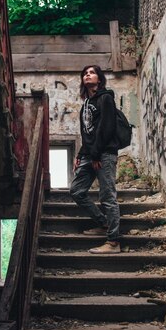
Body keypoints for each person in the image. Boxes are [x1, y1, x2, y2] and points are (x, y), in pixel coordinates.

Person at [70, 64, 121, 253]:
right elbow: (87, 133)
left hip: (104, 154)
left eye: (91, 73)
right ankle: (103, 223)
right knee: (76, 191)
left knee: (108, 197)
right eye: (84, 73)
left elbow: (107, 129)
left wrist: (96, 154)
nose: (87, 75)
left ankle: (114, 242)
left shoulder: (106, 98)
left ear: (99, 79)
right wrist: (81, 154)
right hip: (90, 155)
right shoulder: (86, 104)